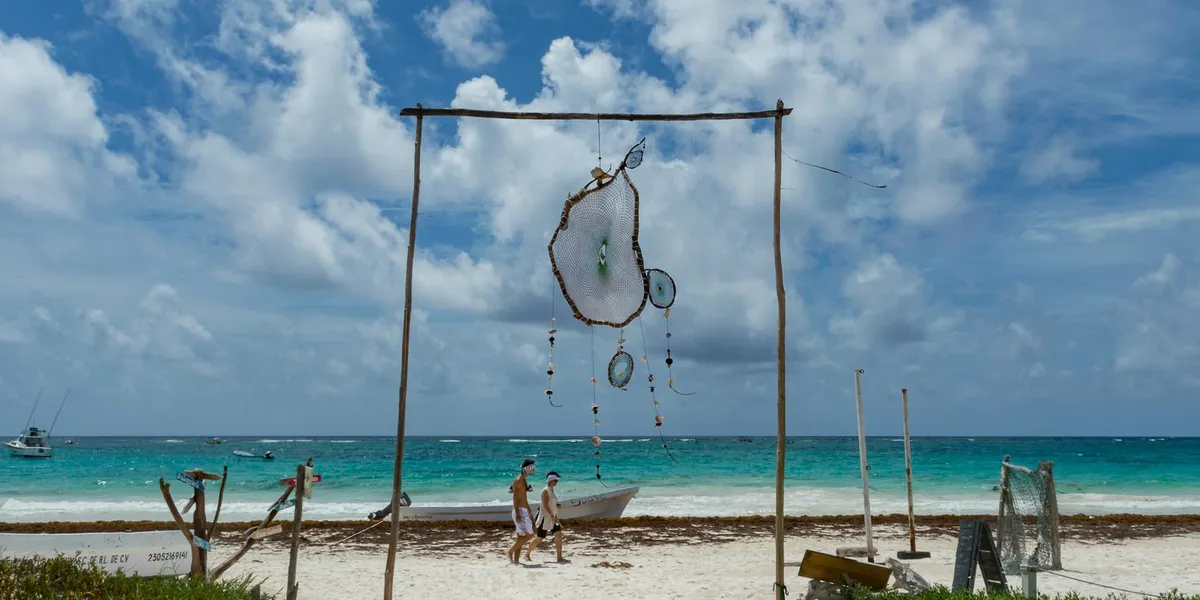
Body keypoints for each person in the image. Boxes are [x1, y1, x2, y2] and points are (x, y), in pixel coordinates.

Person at [525, 471, 567, 563]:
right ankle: (527, 554)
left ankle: (559, 558)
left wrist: (556, 506)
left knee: (558, 535)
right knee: (539, 538)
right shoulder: (545, 490)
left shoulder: (551, 490)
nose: (557, 482)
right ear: (551, 480)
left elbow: (550, 503)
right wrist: (551, 515)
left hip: (553, 517)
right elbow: (544, 505)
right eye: (555, 480)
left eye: (557, 480)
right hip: (545, 518)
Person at [506, 459, 536, 565]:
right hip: (520, 511)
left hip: (523, 510)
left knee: (520, 536)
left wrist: (530, 512)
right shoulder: (518, 480)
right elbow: (515, 497)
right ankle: (510, 551)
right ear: (527, 469)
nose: (534, 469)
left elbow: (524, 498)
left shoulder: (524, 480)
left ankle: (516, 561)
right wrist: (518, 514)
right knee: (530, 534)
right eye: (532, 467)